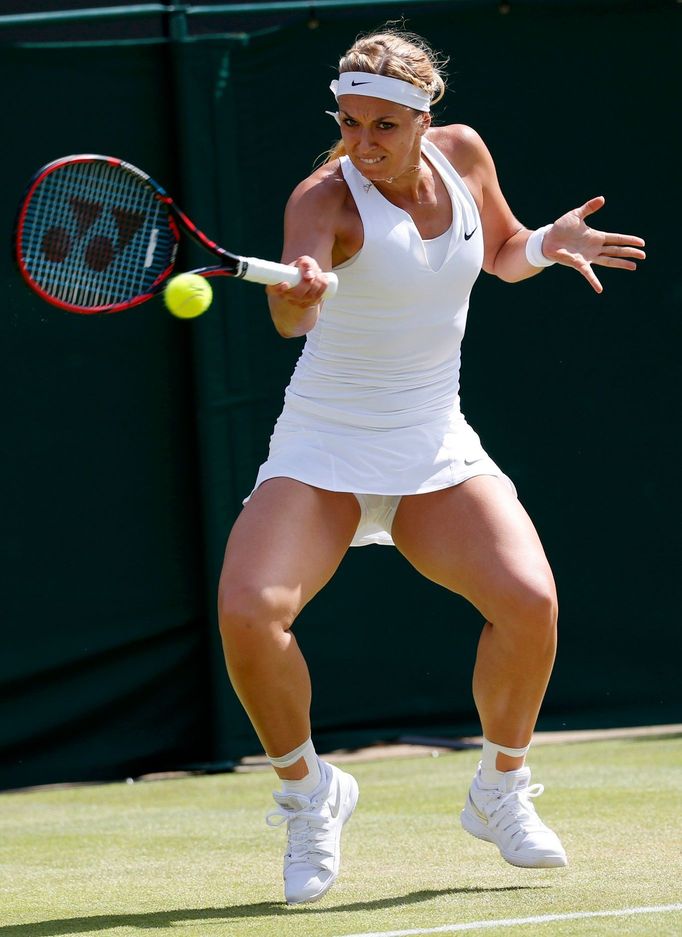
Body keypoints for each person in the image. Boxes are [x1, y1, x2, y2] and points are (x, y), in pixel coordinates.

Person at [217, 27, 646, 905]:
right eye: (348, 123)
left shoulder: (463, 156)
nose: (362, 144)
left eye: (382, 125)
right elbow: (289, 323)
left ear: (424, 117)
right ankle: (308, 792)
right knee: (249, 615)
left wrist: (547, 243)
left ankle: (500, 788)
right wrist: (294, 291)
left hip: (432, 440)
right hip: (325, 445)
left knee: (530, 602)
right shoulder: (324, 199)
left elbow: (499, 252)